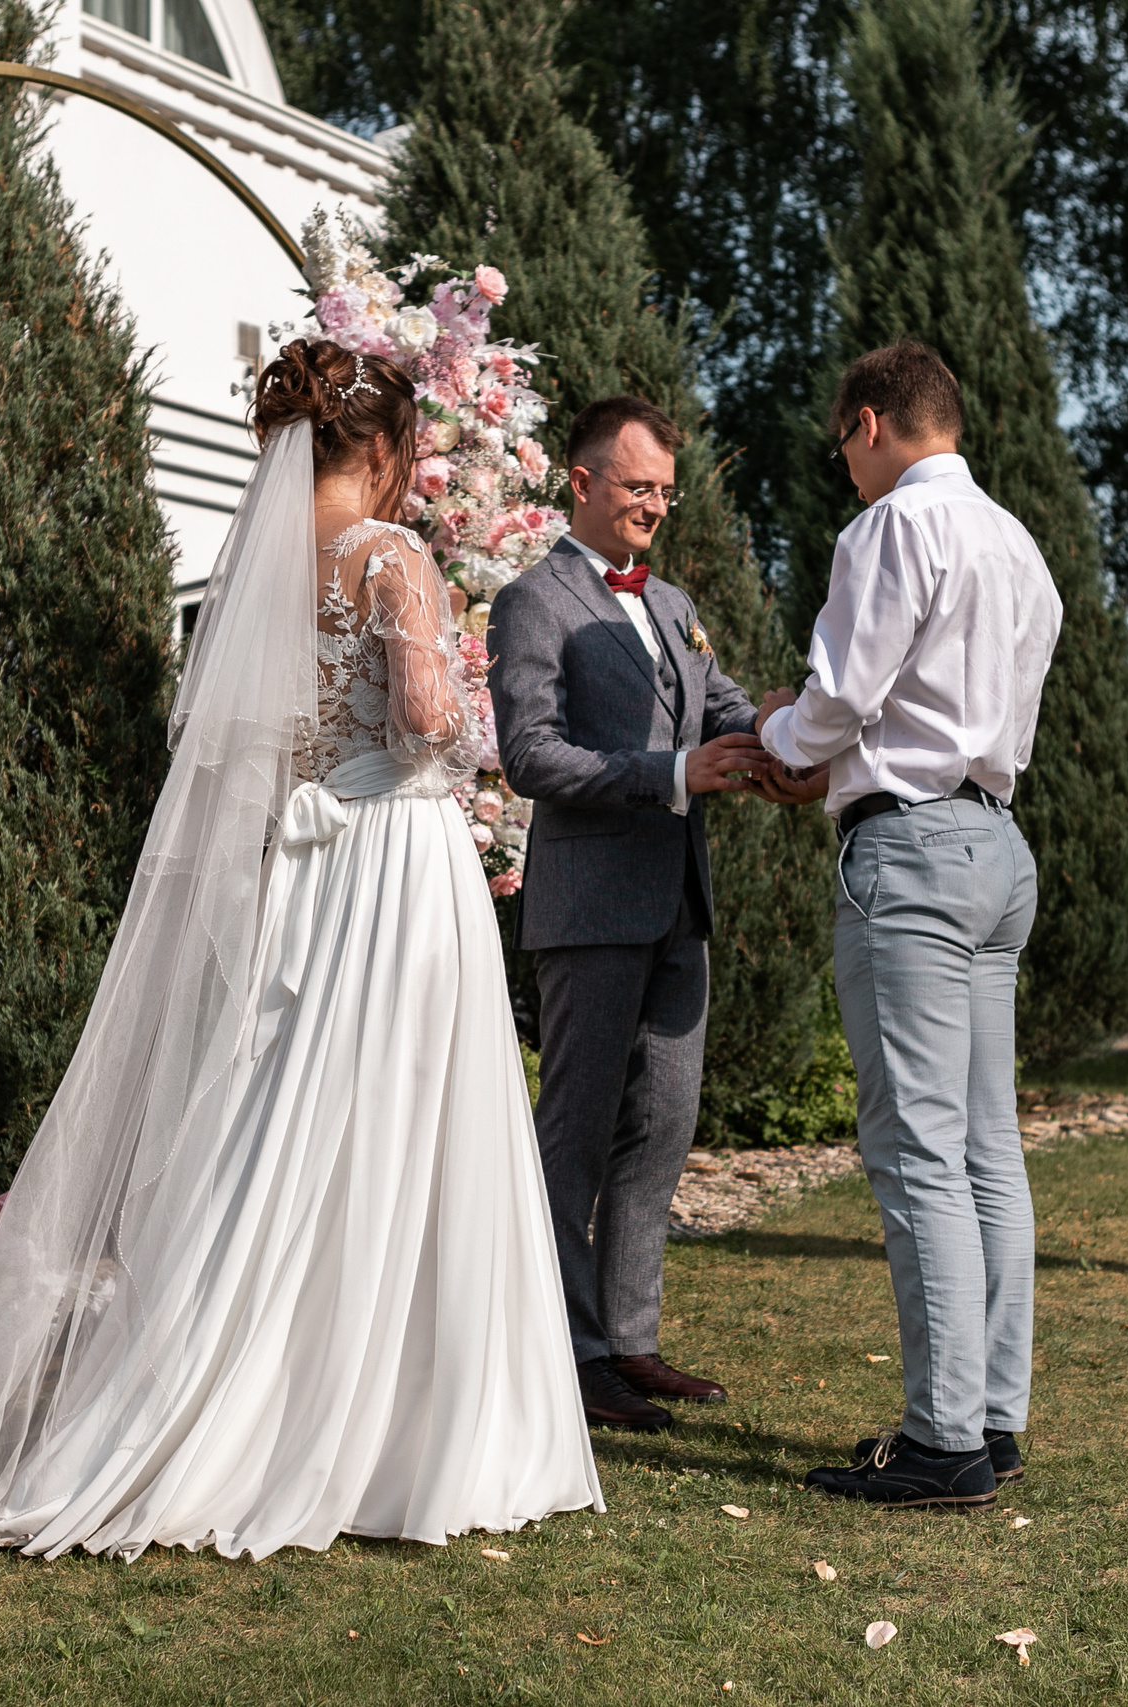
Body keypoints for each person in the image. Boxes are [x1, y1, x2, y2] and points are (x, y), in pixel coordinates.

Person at [0, 340, 601, 1563]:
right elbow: (429, 720)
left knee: (287, 1117)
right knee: (406, 1123)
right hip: (394, 866)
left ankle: (238, 1398)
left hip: (306, 878)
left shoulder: (254, 575)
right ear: (383, 449)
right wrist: (467, 727)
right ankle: (398, 1434)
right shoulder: (391, 559)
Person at [751, 343, 1062, 1510]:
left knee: (920, 1152)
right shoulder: (1017, 543)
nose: (844, 468)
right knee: (987, 1151)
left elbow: (843, 690)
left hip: (916, 848)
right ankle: (991, 1416)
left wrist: (782, 742)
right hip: (994, 840)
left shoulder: (890, 528)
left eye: (842, 445)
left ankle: (942, 1445)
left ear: (869, 423)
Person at [484, 395, 771, 1434]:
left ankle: (631, 1340)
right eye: (638, 486)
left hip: (677, 905)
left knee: (661, 1126)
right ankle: (569, 1350)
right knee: (575, 1129)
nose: (654, 505)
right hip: (591, 904)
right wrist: (673, 772)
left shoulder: (675, 600)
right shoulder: (533, 601)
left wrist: (785, 727)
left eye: (665, 490)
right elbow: (528, 757)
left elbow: (726, 706)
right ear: (582, 483)